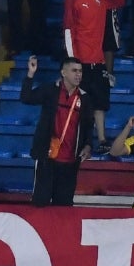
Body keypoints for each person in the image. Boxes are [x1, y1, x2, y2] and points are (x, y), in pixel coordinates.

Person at [61, 0, 124, 145]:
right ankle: (80, 140)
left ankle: (102, 139)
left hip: (98, 60)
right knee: (79, 103)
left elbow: (118, 2)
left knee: (100, 102)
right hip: (81, 62)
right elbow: (67, 29)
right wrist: (73, 61)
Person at [21, 54, 95, 207]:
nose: (78, 74)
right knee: (40, 203)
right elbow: (26, 98)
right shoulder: (50, 90)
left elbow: (88, 125)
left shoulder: (85, 98)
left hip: (70, 161)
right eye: (74, 71)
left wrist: (88, 145)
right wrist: (30, 74)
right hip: (47, 158)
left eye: (80, 71)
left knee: (64, 206)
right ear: (63, 73)